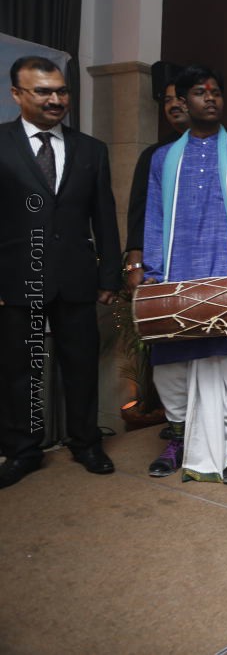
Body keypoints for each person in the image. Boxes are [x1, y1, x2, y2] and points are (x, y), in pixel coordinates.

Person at [141, 64, 227, 484]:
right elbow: (153, 219)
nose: (211, 98)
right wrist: (152, 273)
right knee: (172, 370)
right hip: (176, 278)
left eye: (216, 91)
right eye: (200, 92)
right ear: (182, 101)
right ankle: (179, 439)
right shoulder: (163, 159)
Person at [0, 56, 120, 487]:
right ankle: (22, 450)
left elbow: (104, 217)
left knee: (82, 365)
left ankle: (86, 442)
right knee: (19, 370)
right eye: (44, 92)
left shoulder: (91, 149)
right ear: (17, 94)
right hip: (16, 280)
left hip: (76, 279)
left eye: (62, 91)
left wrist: (110, 277)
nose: (56, 99)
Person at [124, 61, 189, 292]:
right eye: (168, 100)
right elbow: (139, 211)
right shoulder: (154, 155)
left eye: (180, 98)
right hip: (163, 263)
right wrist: (135, 262)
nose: (173, 105)